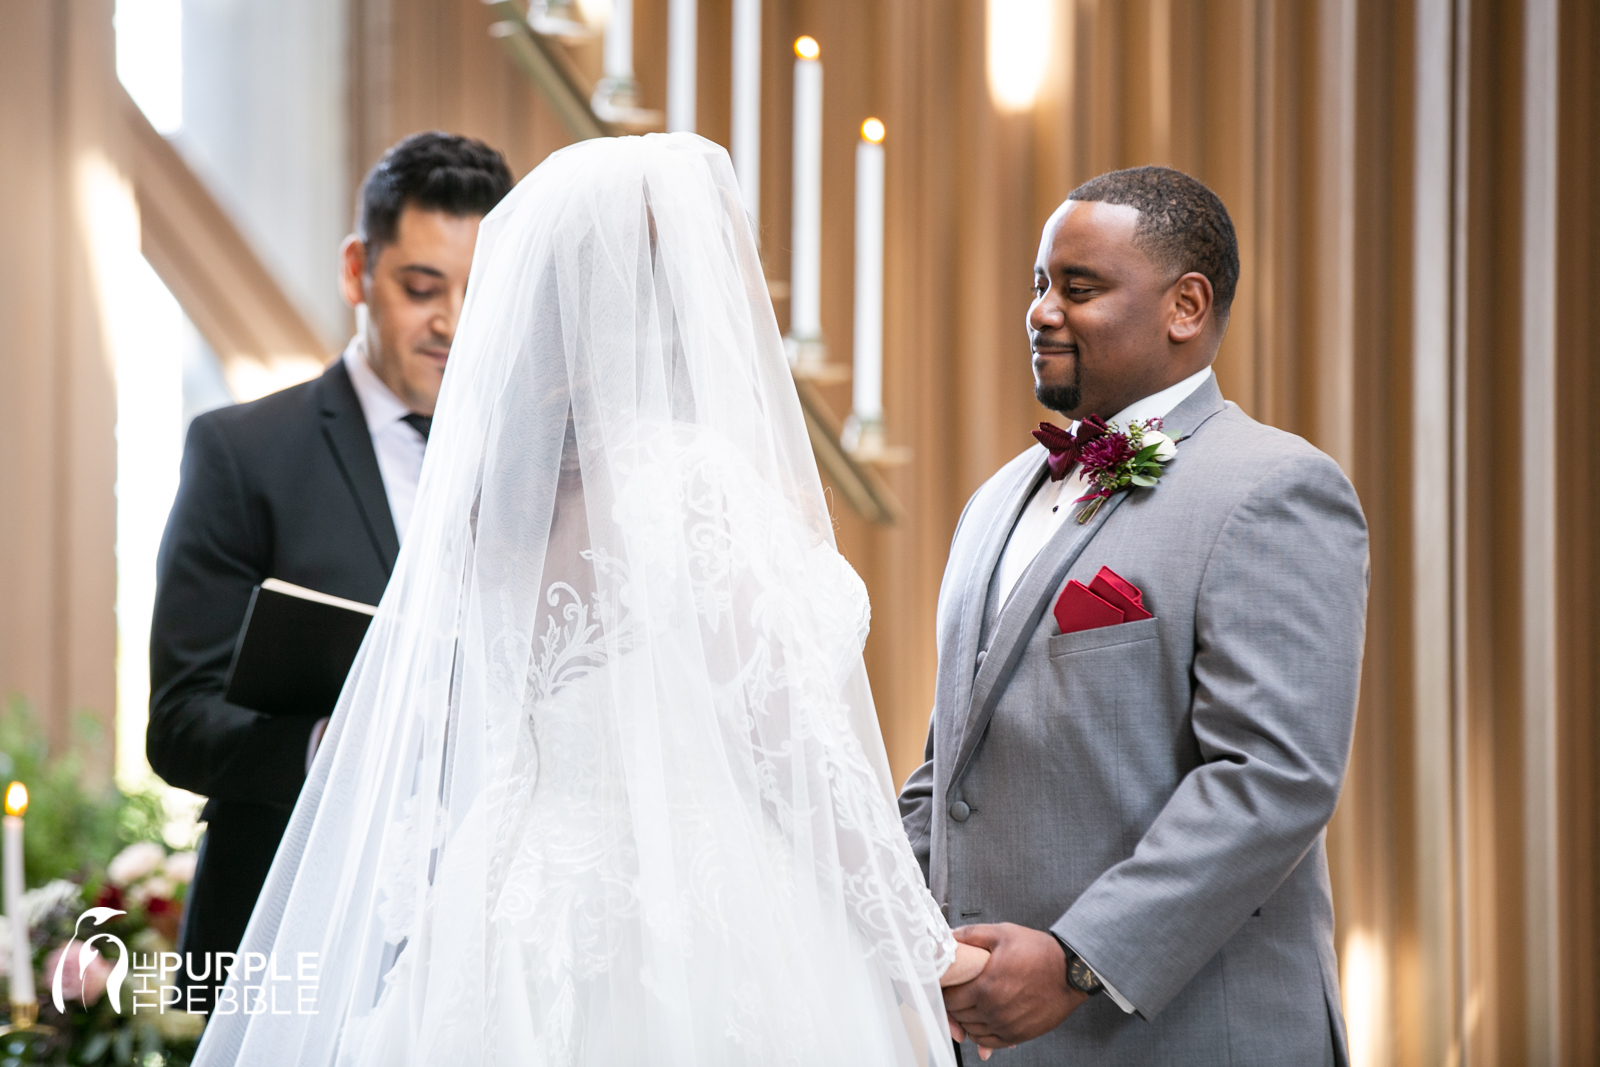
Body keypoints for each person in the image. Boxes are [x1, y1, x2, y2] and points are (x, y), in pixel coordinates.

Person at [193, 133, 984, 1066]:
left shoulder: (497, 500)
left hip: (509, 915)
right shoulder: (684, 485)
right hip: (694, 921)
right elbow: (790, 747)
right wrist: (924, 950)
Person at [900, 166, 1369, 1065]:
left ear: (1185, 305)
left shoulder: (1272, 487)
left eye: (1079, 288)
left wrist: (1077, 961)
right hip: (983, 1036)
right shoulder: (994, 500)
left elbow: (1273, 777)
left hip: (1185, 1034)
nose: (1041, 311)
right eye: (1039, 285)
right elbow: (947, 772)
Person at [147, 132, 514, 1006]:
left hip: (479, 947)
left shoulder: (537, 470)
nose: (452, 322)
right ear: (358, 270)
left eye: (480, 291)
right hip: (290, 939)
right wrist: (330, 744)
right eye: (421, 287)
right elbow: (178, 719)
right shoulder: (242, 453)